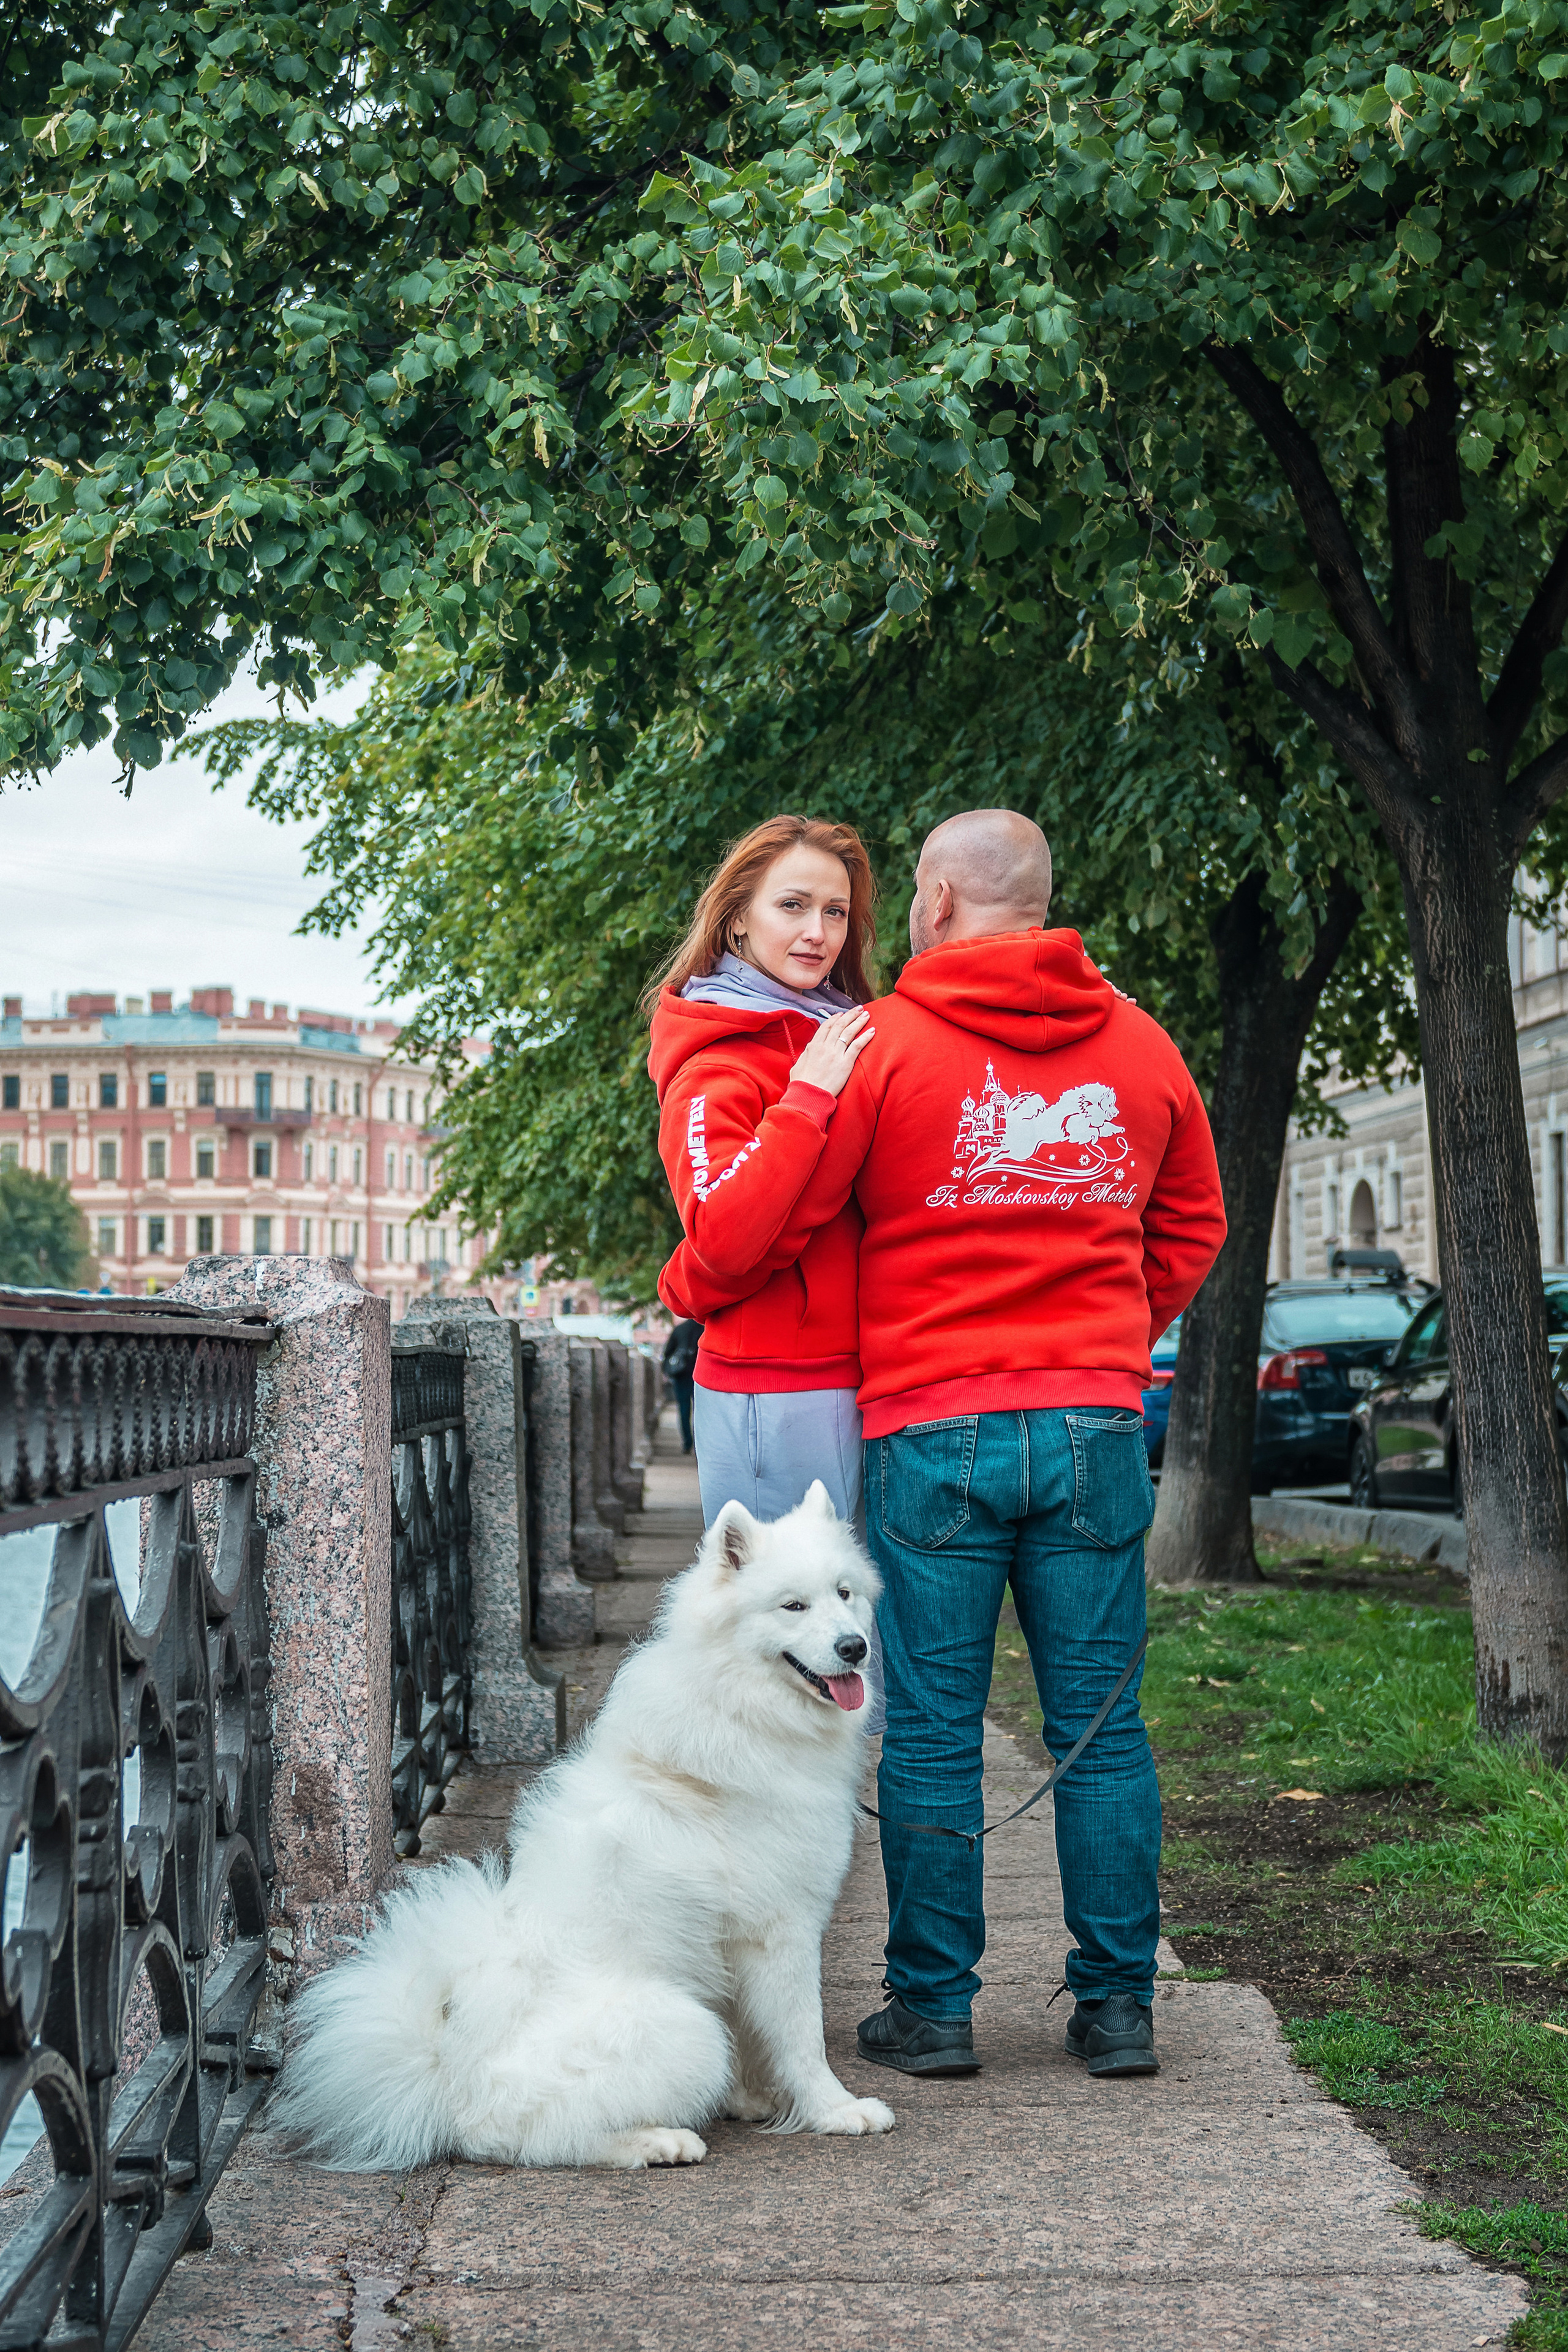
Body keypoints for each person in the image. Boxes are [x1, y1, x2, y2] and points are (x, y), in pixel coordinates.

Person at [665, 809, 1227, 2081]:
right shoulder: (1139, 1044)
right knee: (1101, 1727)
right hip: (1092, 1423)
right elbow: (1192, 1221)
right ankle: (1117, 2010)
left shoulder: (879, 1048)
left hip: (931, 1425)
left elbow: (795, 1216)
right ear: (1041, 900)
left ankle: (932, 2013)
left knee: (929, 1729)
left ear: (926, 905)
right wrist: (1107, 1329)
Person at [645, 813, 878, 1531]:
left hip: (868, 1378)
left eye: (835, 912)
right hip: (771, 1389)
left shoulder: (845, 1031)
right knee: (783, 1637)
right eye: (793, 905)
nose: (818, 931)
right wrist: (805, 1100)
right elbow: (723, 1231)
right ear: (737, 920)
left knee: (853, 1632)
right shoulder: (715, 1062)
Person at [660, 1318, 703, 1454]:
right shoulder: (704, 1329)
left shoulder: (679, 1329)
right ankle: (699, 1443)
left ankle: (687, 1442)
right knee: (701, 1412)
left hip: (682, 1375)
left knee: (684, 1410)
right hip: (701, 1376)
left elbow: (667, 1353)